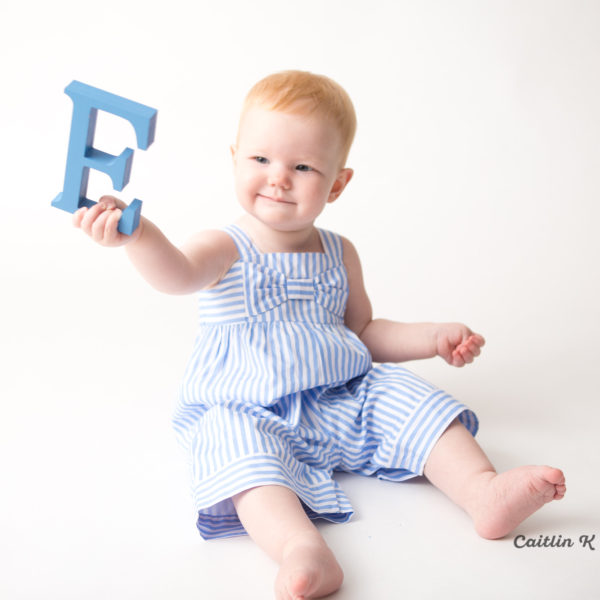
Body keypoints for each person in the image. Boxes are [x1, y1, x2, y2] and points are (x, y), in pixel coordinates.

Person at [73, 70, 566, 600]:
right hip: (251, 408)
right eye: (260, 160)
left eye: (302, 166)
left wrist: (432, 337)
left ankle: (482, 490)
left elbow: (362, 331)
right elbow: (177, 274)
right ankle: (299, 548)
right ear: (235, 157)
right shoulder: (225, 246)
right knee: (230, 447)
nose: (278, 178)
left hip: (341, 397)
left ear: (336, 183)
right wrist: (140, 236)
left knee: (407, 394)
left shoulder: (339, 251)